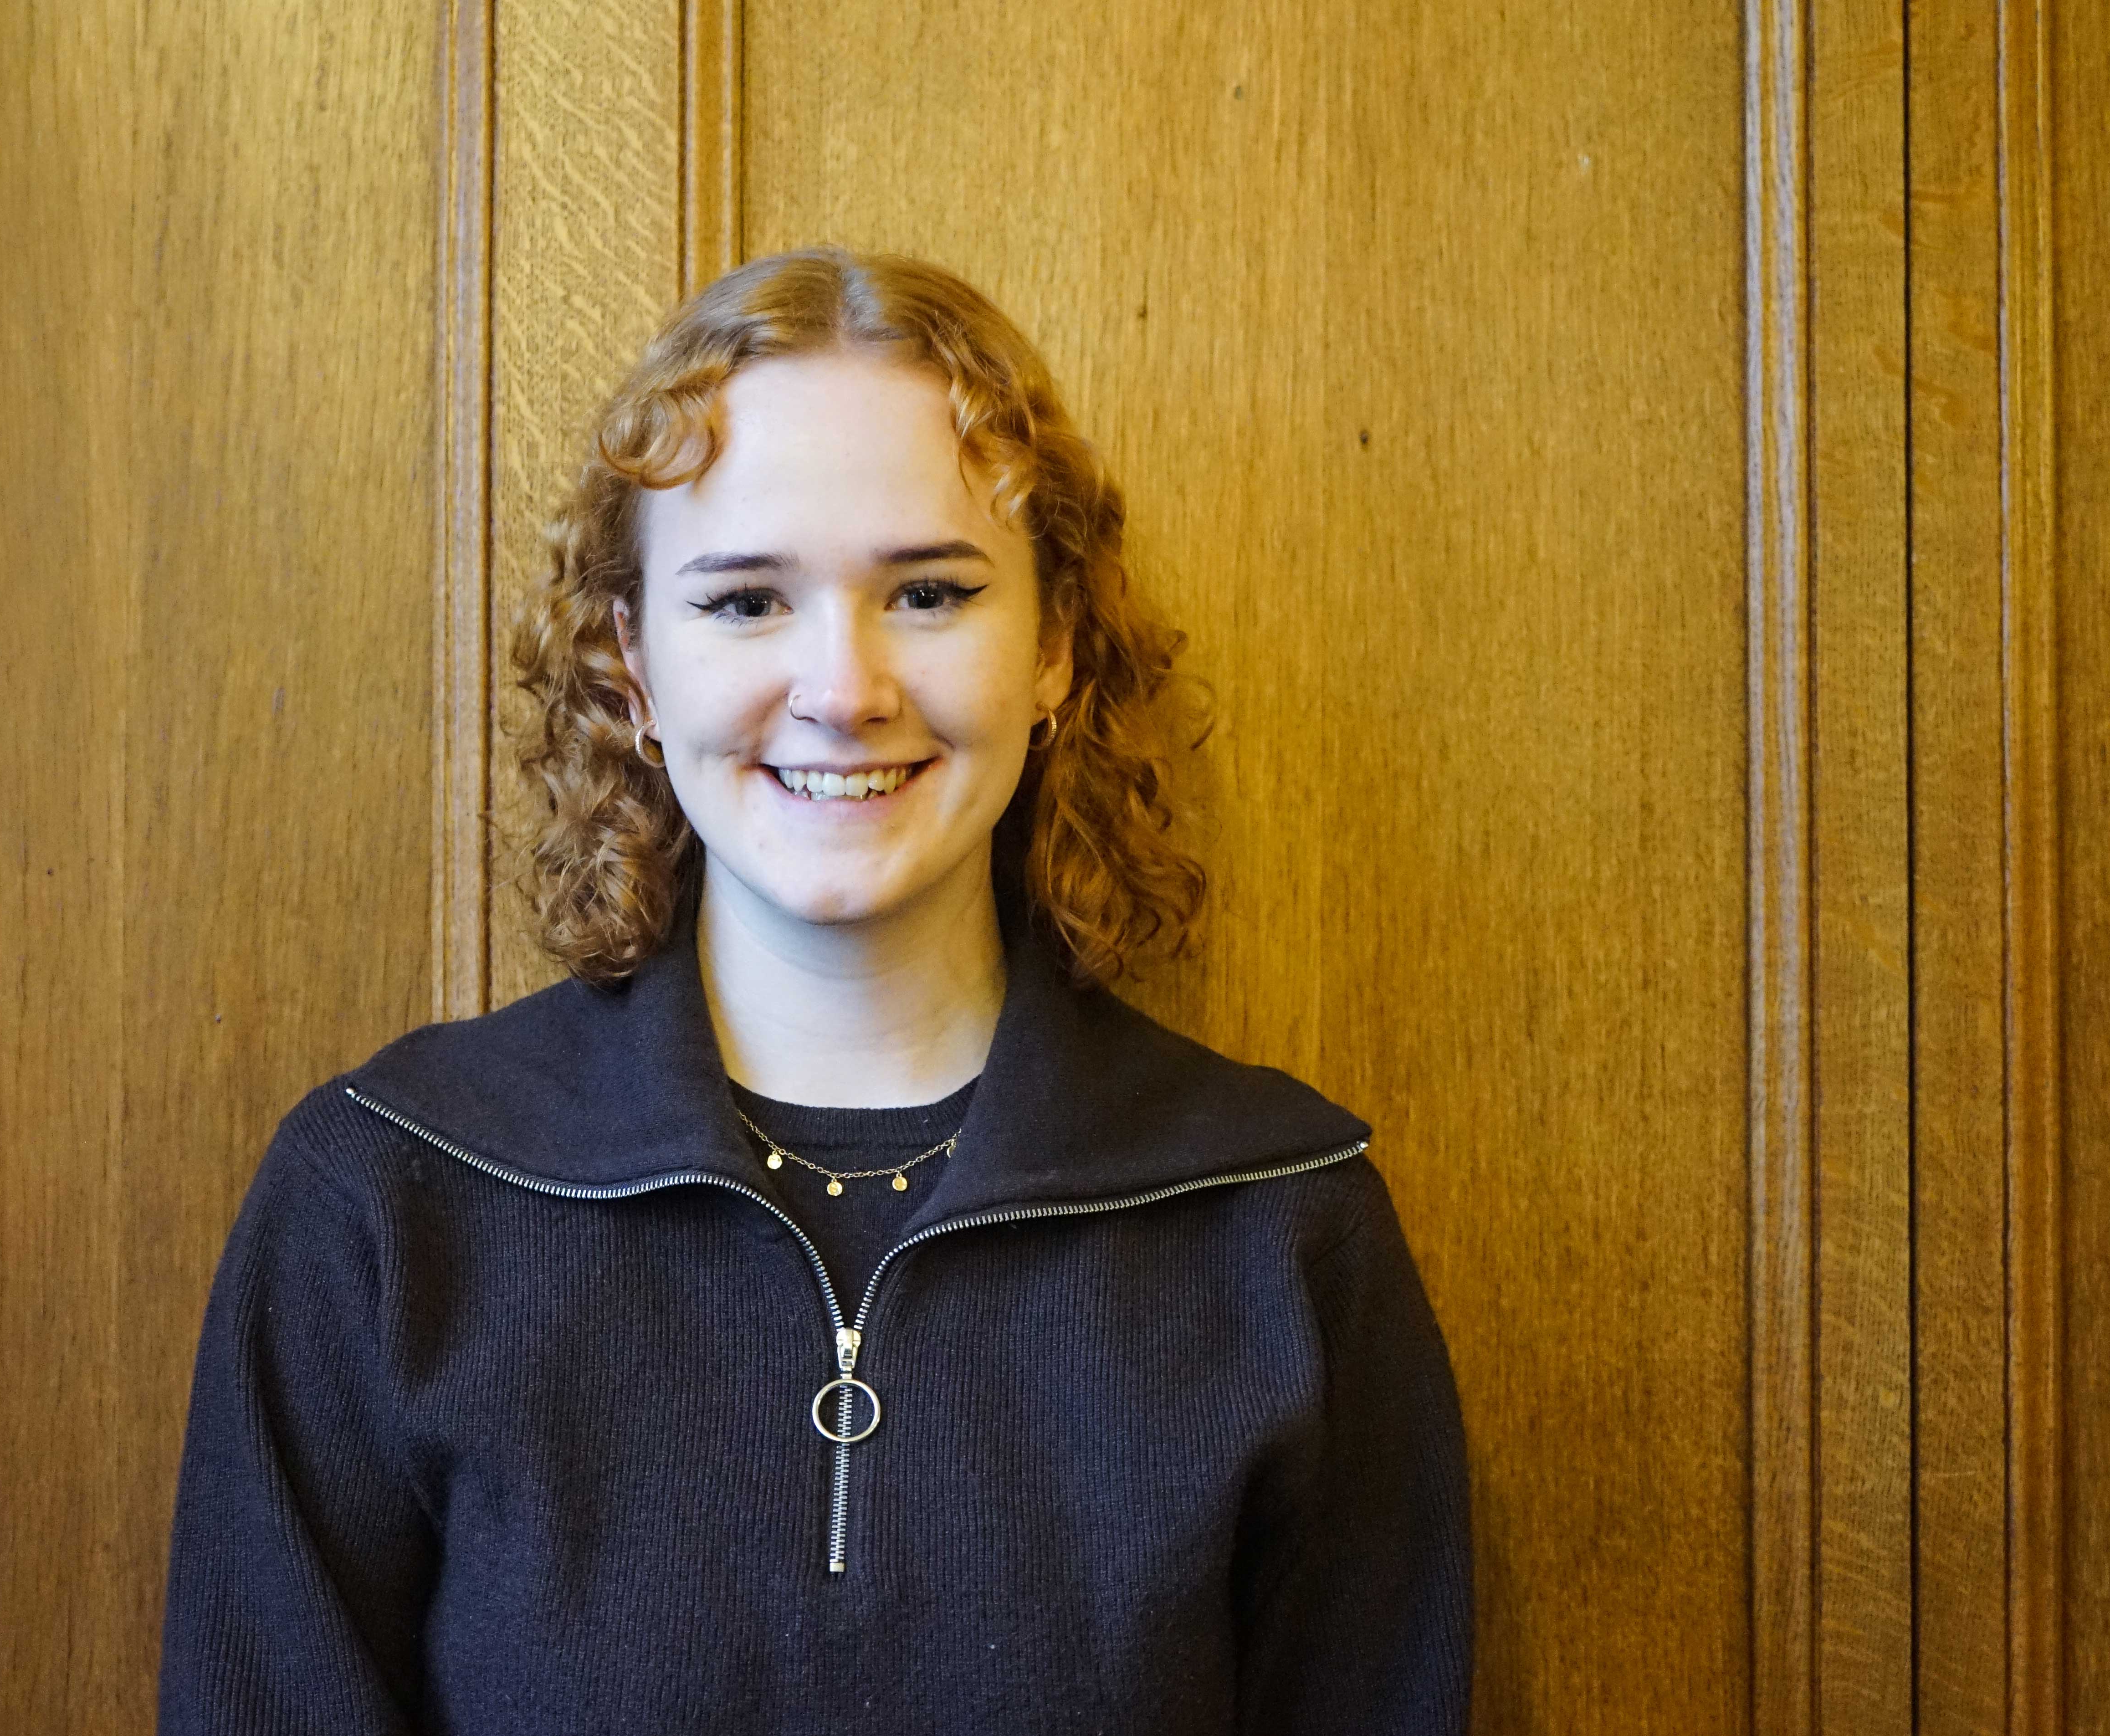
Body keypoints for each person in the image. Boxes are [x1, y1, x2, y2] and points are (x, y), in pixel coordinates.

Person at [158, 246, 1471, 1734]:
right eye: (743, 602)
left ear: (1051, 648)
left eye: (926, 590)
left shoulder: (1282, 1220)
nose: (843, 686)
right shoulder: (384, 1199)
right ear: (630, 665)